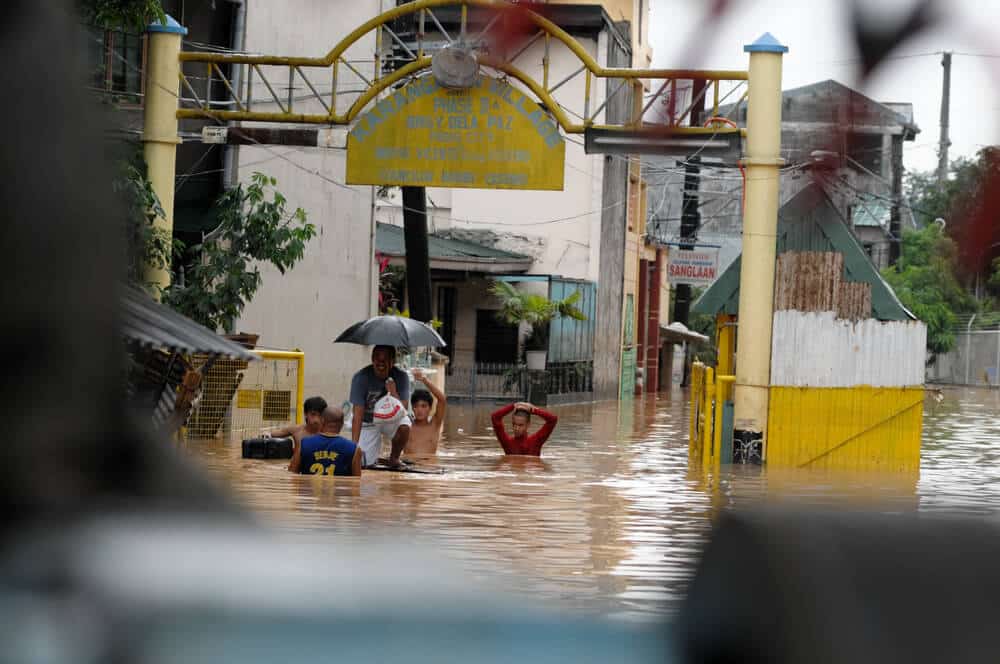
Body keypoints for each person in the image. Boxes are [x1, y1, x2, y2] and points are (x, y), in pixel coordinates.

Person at [350, 345, 411, 467]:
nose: (380, 363)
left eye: (385, 359)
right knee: (363, 463)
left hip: (391, 419)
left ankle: (394, 458)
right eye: (377, 358)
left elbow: (403, 410)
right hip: (368, 422)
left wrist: (393, 392)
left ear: (393, 362)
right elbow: (357, 415)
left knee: (405, 426)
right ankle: (374, 458)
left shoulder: (401, 376)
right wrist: (353, 447)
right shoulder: (361, 378)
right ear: (372, 359)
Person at [289, 406, 362, 476]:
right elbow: (356, 483)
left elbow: (292, 474)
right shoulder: (354, 449)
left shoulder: (303, 444)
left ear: (322, 421)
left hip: (309, 489)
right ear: (342, 424)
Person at [491, 401, 558, 456]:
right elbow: (495, 417)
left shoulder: (536, 441)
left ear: (528, 425)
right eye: (514, 424)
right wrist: (513, 406)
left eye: (520, 425)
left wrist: (534, 410)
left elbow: (553, 420)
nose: (516, 428)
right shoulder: (507, 443)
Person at [405, 368, 447, 455]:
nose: (419, 410)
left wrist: (424, 379)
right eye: (416, 406)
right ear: (412, 408)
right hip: (409, 466)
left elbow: (442, 399)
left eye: (423, 406)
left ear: (430, 408)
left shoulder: (434, 425)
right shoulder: (406, 425)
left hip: (428, 467)